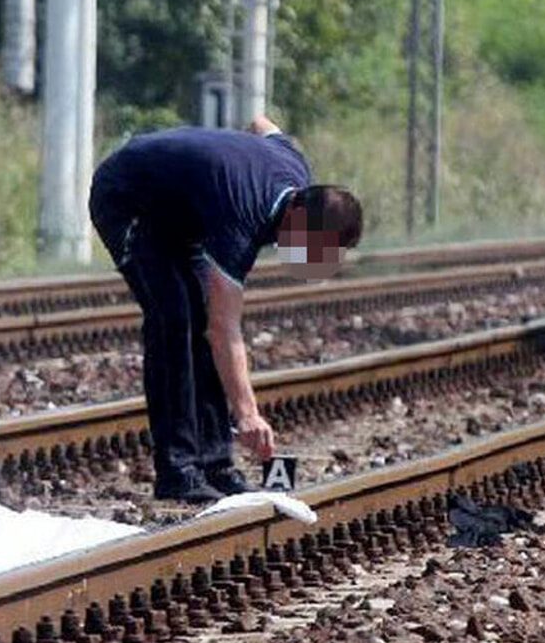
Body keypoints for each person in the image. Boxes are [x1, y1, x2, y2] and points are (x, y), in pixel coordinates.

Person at [89, 115, 363, 502]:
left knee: (197, 315)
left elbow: (260, 123)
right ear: (296, 217)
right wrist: (248, 413)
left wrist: (219, 158)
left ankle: (217, 465)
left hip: (184, 217)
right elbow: (224, 330)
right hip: (127, 197)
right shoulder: (241, 218)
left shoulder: (294, 167)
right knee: (176, 319)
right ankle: (177, 471)